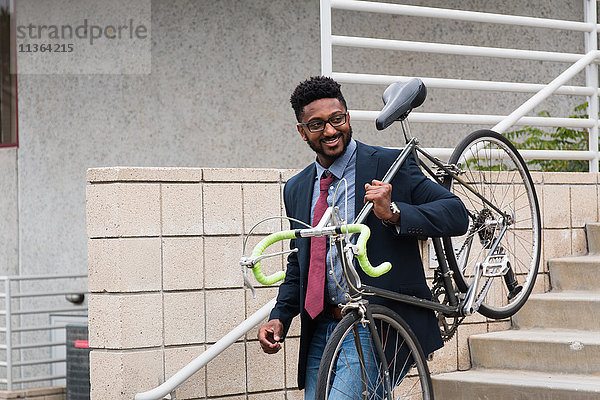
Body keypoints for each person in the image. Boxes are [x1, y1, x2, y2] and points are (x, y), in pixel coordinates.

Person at [257, 76, 469, 399]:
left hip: (374, 325)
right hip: (322, 328)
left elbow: (456, 213)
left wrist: (394, 213)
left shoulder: (388, 165)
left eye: (336, 119)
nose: (330, 131)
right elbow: (301, 262)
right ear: (302, 132)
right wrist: (279, 318)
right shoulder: (297, 188)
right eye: (316, 125)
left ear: (348, 116)